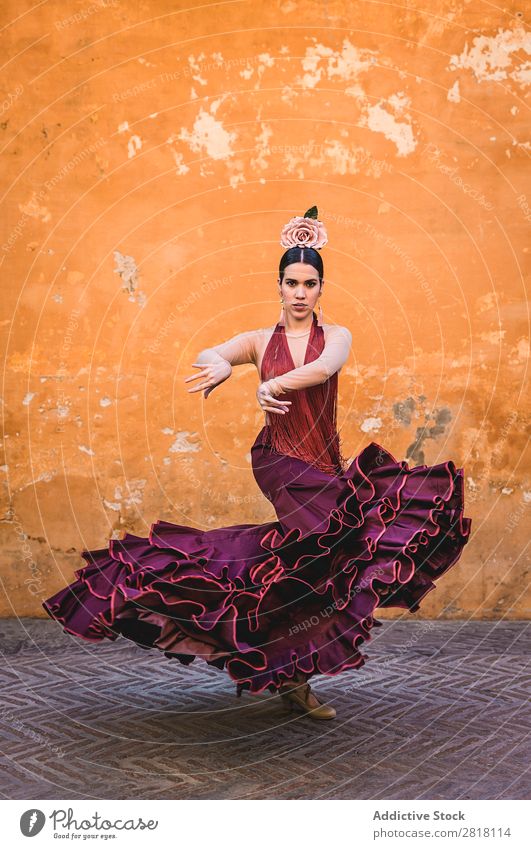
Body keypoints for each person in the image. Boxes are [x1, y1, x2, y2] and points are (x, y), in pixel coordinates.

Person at [42, 206, 472, 722]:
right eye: (291, 282)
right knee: (340, 551)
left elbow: (323, 368)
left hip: (324, 464)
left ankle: (288, 672)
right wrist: (222, 361)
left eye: (309, 284)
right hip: (280, 462)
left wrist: (274, 384)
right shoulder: (258, 340)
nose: (299, 292)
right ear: (279, 285)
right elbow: (212, 350)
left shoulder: (336, 335)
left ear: (319, 289)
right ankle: (288, 670)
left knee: (303, 569)